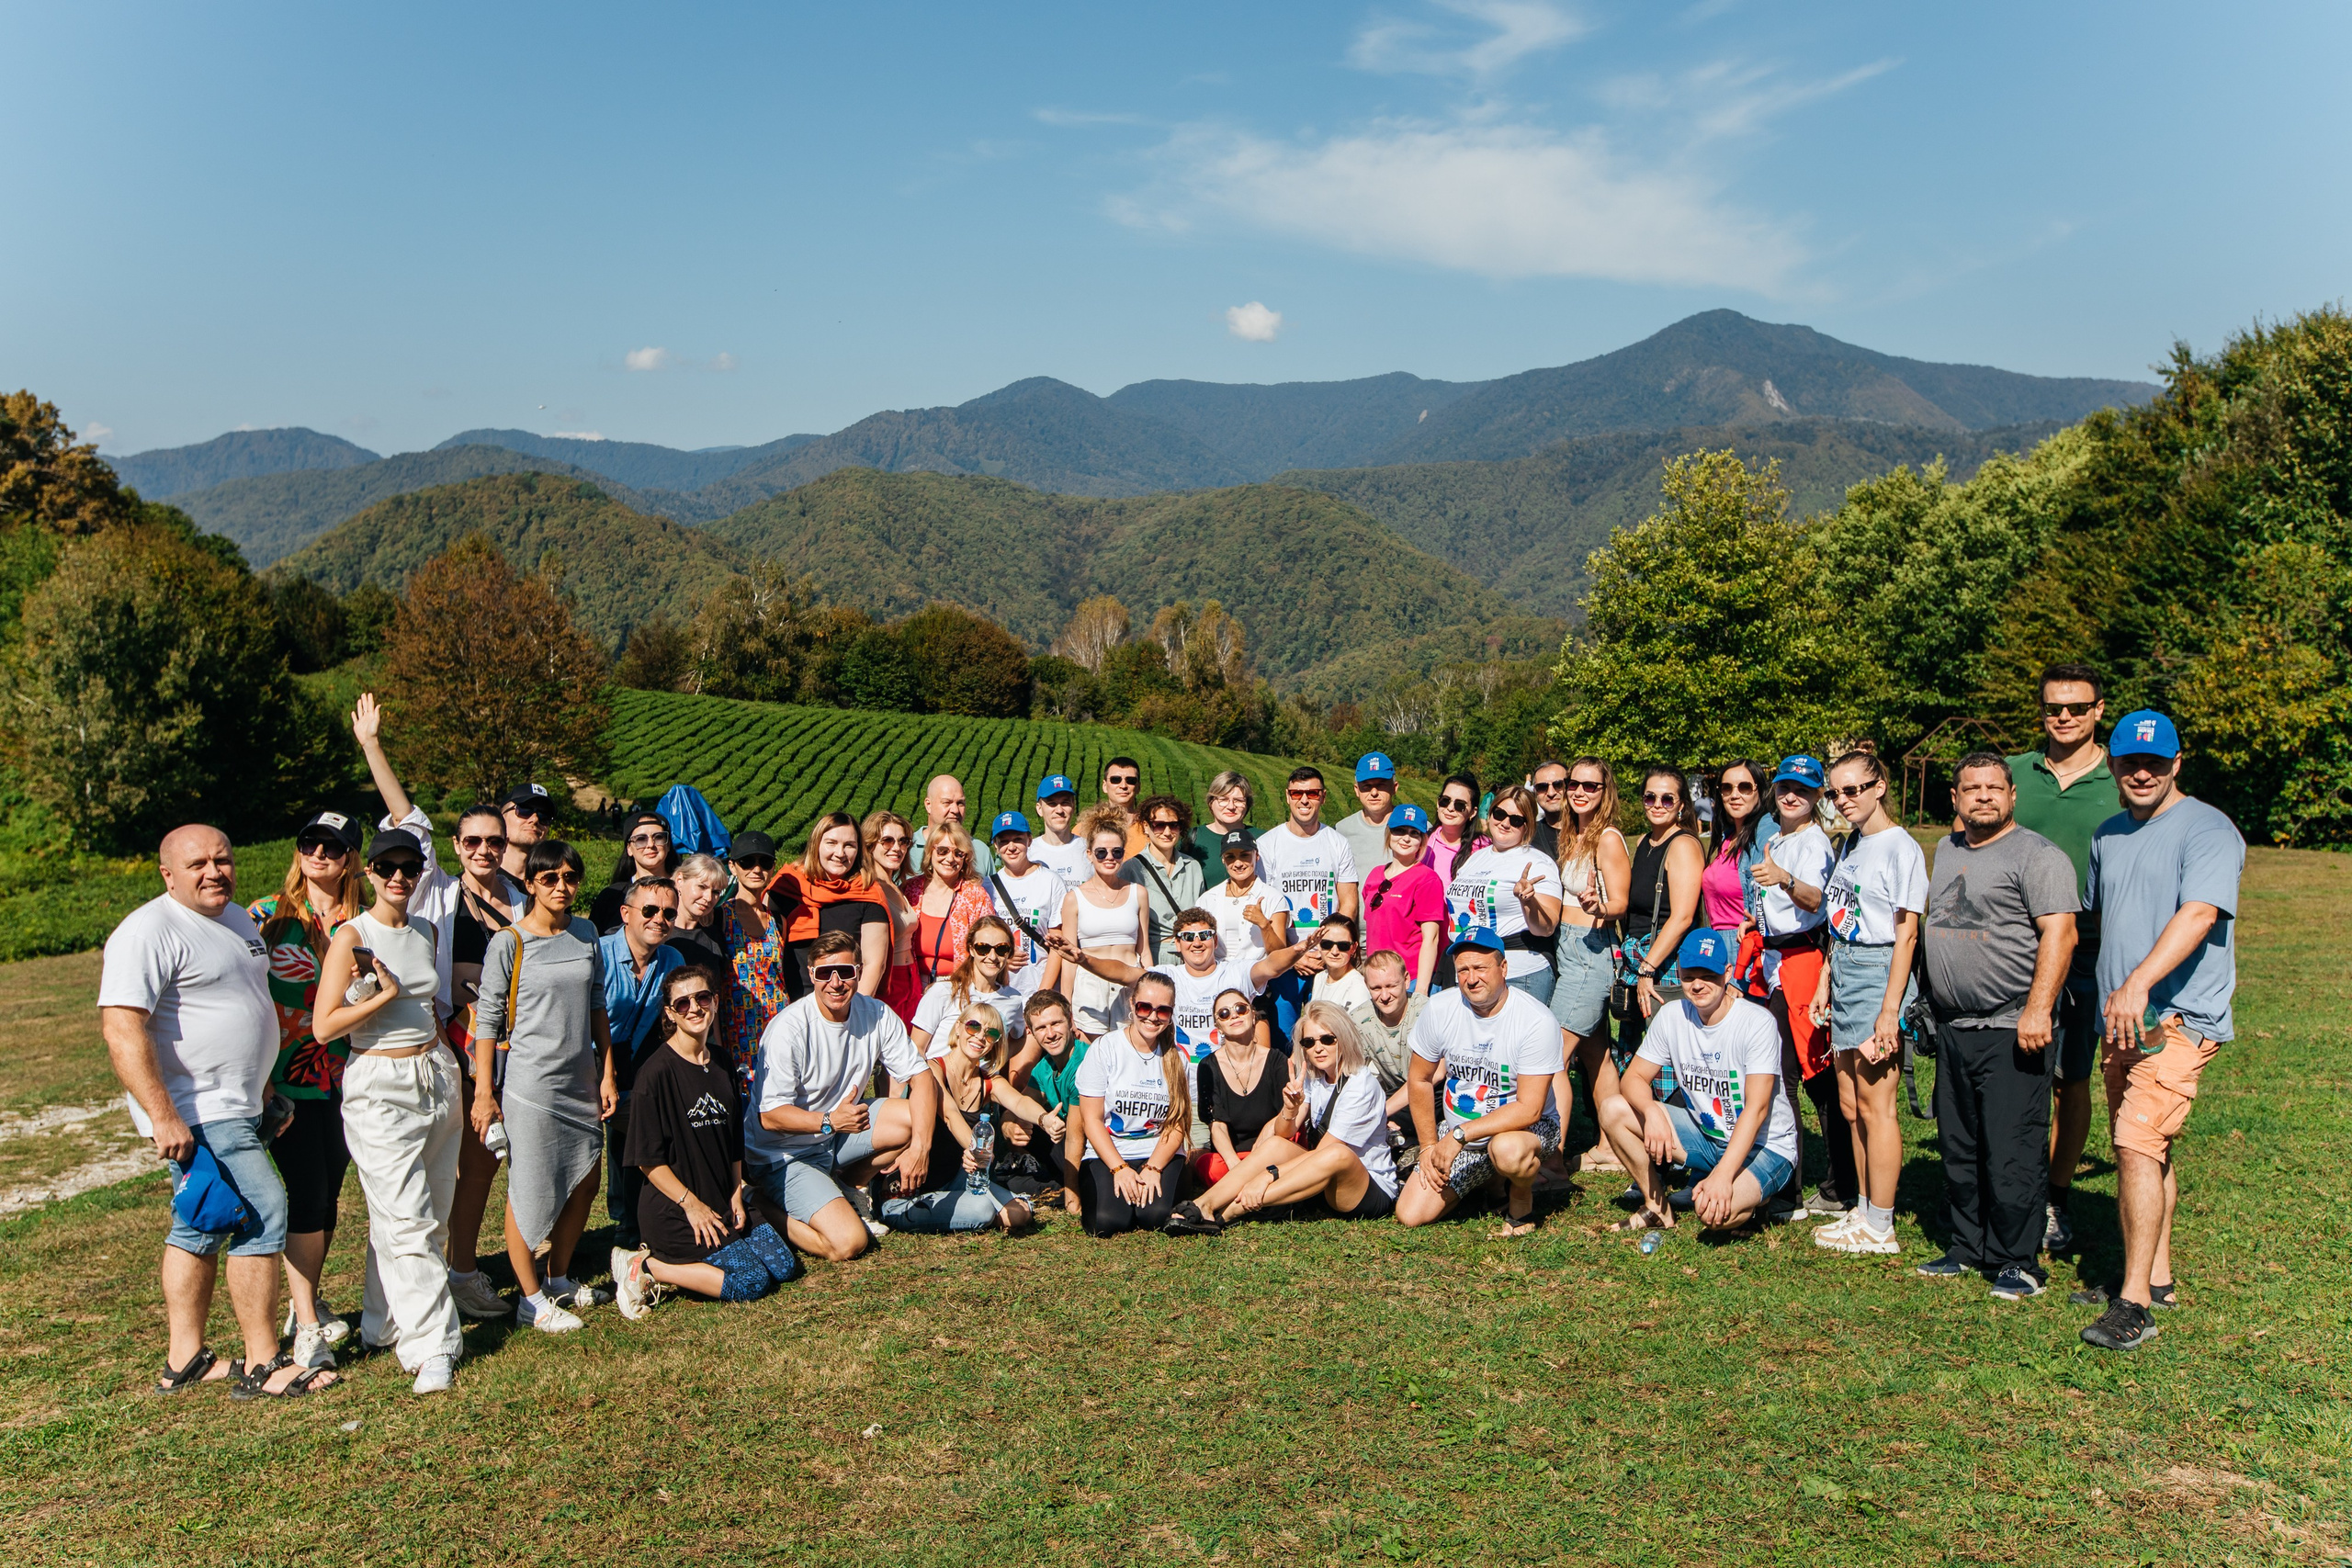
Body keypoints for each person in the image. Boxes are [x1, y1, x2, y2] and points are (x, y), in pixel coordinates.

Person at [102, 824, 338, 1398]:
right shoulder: (148, 931)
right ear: (167, 875)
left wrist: (263, 1094)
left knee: (199, 1223)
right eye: (197, 864)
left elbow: (244, 1007)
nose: (214, 872)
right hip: (197, 1108)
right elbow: (121, 1026)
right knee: (262, 1211)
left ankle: (183, 1359)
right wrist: (162, 1115)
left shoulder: (235, 919)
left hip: (242, 1102)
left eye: (222, 859)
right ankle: (263, 1362)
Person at [2077, 711, 2242, 1352]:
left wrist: (2141, 982)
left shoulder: (2208, 829)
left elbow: (2200, 911)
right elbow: (2101, 918)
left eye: (2154, 761)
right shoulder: (2109, 833)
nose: (2141, 771)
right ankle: (2159, 1277)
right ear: (2112, 765)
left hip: (2177, 1019)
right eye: (2127, 761)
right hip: (2120, 1021)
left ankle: (2134, 1303)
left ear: (2178, 762)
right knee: (2145, 1147)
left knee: (2136, 1142)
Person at [1916, 754, 2080, 1301]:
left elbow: (2061, 935)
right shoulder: (1946, 849)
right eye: (1971, 789)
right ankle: (1968, 1245)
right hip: (1955, 1027)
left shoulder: (2037, 856)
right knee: (1959, 1145)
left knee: (2012, 1147)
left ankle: (2018, 1261)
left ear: (2012, 795)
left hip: (2013, 1026)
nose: (1982, 796)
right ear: (1956, 798)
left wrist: (2038, 1008)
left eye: (1993, 788)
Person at [311, 830, 464, 1394]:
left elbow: (431, 1002)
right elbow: (324, 1026)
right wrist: (379, 994)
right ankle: (433, 1347)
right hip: (379, 1080)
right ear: (368, 872)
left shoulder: (426, 929)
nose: (400, 877)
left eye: (410, 866)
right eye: (388, 867)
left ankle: (382, 1322)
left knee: (428, 1211)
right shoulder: (352, 935)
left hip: (436, 1074)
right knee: (407, 1218)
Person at [471, 840, 616, 1332]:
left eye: (570, 877)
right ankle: (529, 1299)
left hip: (581, 1080)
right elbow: (487, 1023)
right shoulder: (508, 942)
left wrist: (607, 1072)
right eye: (549, 878)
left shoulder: (586, 933)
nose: (561, 886)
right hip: (531, 1085)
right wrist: (484, 1092)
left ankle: (557, 1277)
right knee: (529, 1188)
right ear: (530, 884)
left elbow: (598, 1003)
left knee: (585, 1181)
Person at [246, 807, 364, 1371]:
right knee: (308, 1191)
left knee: (328, 1194)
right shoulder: (265, 916)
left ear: (349, 860)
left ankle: (305, 1299)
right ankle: (308, 1321)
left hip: (351, 1075)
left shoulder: (364, 918)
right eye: (310, 844)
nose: (319, 854)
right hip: (284, 1077)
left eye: (333, 847)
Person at [612, 965, 799, 1319]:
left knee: (784, 1267)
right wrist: (691, 1205)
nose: (694, 1008)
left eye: (702, 998)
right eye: (682, 1003)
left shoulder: (724, 1062)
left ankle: (708, 1248)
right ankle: (648, 1265)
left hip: (721, 1198)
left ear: (715, 1001)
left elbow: (731, 1142)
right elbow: (647, 1161)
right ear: (669, 1013)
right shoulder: (654, 1074)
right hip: (677, 1209)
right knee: (751, 1281)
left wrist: (735, 1192)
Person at [2007, 663, 2117, 1254]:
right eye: (2054, 707)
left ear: (2099, 710)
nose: (2065, 717)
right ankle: (2004, 1187)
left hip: (2090, 947)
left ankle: (2056, 1196)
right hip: (2011, 945)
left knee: (2070, 1077)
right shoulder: (2015, 772)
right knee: (2008, 1071)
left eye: (2076, 707)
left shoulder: (2122, 777)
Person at [741, 931, 938, 1262]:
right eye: (824, 974)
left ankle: (846, 1187)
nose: (835, 983)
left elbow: (921, 1077)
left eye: (845, 972)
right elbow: (770, 1116)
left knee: (912, 1120)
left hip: (834, 1136)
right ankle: (757, 1202)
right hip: (783, 1153)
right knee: (848, 1243)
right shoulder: (789, 1028)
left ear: (859, 971)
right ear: (811, 974)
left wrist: (922, 1146)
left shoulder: (875, 1013)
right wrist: (830, 1121)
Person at [1599, 929, 1799, 1234]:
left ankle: (1755, 1200)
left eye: (1709, 975)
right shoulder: (1672, 1016)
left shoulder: (1757, 1023)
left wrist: (1723, 1174)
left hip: (1765, 1145)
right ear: (1678, 972)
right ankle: (1657, 1207)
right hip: (1708, 1137)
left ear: (1727, 973)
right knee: (1613, 1109)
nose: (1698, 984)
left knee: (1712, 1214)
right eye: (1690, 975)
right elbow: (1634, 1078)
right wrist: (1651, 1112)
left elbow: (1756, 1109)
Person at [1810, 750, 1928, 1258]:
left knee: (1878, 1106)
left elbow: (1906, 937)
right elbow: (1843, 917)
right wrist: (1825, 977)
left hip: (1882, 972)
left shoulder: (1902, 848)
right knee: (1850, 1103)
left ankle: (1882, 1225)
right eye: (1836, 793)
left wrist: (1890, 1010)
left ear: (1879, 787)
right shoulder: (1852, 843)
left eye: (1853, 789)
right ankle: (1863, 1208)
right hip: (1847, 970)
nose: (1843, 801)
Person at [1168, 1001, 1399, 1231]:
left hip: (1366, 1188)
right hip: (1324, 1178)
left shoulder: (1360, 1085)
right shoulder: (1314, 1077)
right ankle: (1203, 1205)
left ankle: (1231, 1211)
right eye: (1309, 1042)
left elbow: (1325, 1154)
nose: (1318, 1048)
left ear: (1344, 1038)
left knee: (1338, 1154)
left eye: (1328, 1039)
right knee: (1276, 1144)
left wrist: (1269, 1175)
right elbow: (1284, 1133)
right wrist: (1289, 1109)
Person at [1395, 929, 1567, 1237]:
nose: (1471, 978)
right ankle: (1488, 1181)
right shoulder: (1440, 1008)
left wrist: (1458, 1136)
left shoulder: (1535, 1021)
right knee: (1410, 1214)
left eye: (1480, 968)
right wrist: (1427, 1147)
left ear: (1503, 969)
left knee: (1508, 1150)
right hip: (1460, 1128)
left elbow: (1529, 1109)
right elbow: (1419, 1079)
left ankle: (1520, 1202)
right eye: (1463, 970)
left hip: (1526, 1128)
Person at [430, 798, 530, 1321]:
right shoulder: (441, 894)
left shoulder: (519, 898)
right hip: (459, 1041)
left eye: (495, 841)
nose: (484, 850)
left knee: (508, 1160)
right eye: (473, 841)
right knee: (475, 1162)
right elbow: (409, 823)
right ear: (456, 846)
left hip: (517, 1043)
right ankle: (461, 1271)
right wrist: (373, 749)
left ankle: (507, 1265)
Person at [1747, 756, 1849, 1218]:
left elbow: (1817, 900)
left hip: (1801, 961)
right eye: (1786, 787)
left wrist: (1784, 880)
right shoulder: (1777, 837)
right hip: (1771, 961)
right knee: (1784, 1072)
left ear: (1817, 798)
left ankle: (1823, 1186)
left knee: (1807, 1074)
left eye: (1803, 790)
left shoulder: (1813, 843)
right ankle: (1812, 1180)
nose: (1792, 796)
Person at [885, 1002, 1043, 1234]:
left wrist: (1044, 1118)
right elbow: (949, 1114)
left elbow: (1018, 1102)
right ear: (958, 1028)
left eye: (991, 1033)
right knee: (982, 1210)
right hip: (911, 1188)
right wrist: (976, 1151)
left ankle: (958, 1205)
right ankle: (933, 1210)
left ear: (996, 1043)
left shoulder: (989, 1082)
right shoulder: (931, 1069)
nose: (980, 1036)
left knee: (1020, 1213)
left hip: (957, 1180)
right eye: (973, 1026)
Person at [597, 875, 684, 1251]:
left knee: (633, 1139)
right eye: (649, 910)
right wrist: (604, 1074)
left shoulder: (671, 959)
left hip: (635, 1061)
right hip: (590, 1058)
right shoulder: (597, 953)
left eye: (668, 912)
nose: (659, 919)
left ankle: (629, 1223)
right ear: (626, 913)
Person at [1551, 757, 1632, 1149]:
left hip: (1590, 953)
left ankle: (1552, 1153)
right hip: (1569, 948)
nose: (1580, 792)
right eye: (1573, 784)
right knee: (1597, 1056)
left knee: (1552, 1057)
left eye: (1590, 786)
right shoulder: (1575, 834)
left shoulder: (1608, 838)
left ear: (1605, 792)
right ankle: (1611, 1145)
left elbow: (1620, 902)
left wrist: (1600, 906)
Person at [1073, 971, 1191, 1236]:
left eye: (1163, 1011)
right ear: (1132, 1004)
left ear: (1171, 1014)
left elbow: (1177, 1123)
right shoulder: (1105, 1048)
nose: (1152, 1017)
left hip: (1157, 1150)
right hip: (1110, 1150)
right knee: (1107, 1222)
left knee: (1156, 1216)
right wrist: (1120, 1168)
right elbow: (1091, 1120)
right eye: (1145, 1007)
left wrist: (1153, 1168)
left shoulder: (1178, 1057)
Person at [1613, 767, 1705, 1065]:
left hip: (1663, 964)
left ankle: (1670, 1112)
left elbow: (1682, 917)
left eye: (1667, 799)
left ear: (1681, 806)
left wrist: (1647, 968)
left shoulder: (1683, 846)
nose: (1657, 804)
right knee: (1634, 1056)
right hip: (1638, 959)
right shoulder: (1643, 842)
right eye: (1650, 797)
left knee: (1665, 1056)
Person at [1442, 783, 1563, 1004]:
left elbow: (1546, 928)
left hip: (1517, 974)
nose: (1505, 823)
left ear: (1528, 826)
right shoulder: (1476, 858)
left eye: (1516, 820)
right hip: (1469, 969)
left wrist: (1528, 901)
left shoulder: (1538, 863)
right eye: (1499, 814)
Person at [1057, 806, 1148, 1040]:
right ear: (1089, 854)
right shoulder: (1073, 898)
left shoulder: (1138, 893)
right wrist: (1066, 1005)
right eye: (1101, 852)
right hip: (1089, 990)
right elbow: (1069, 958)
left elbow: (1144, 949)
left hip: (1129, 988)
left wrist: (1151, 991)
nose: (1109, 858)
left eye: (1116, 852)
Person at [781, 812, 894, 998]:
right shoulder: (789, 886)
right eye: (831, 843)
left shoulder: (867, 893)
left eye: (849, 845)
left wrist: (855, 1011)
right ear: (816, 844)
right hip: (792, 1008)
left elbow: (874, 963)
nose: (840, 853)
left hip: (845, 1007)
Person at [1185, 987, 1290, 1185]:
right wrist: (1237, 1168)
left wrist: (1258, 1157)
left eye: (1241, 1009)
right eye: (1224, 1014)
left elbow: (1282, 1116)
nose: (1234, 1016)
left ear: (1252, 1014)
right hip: (1231, 1157)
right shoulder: (1208, 1066)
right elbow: (1216, 1125)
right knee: (1209, 1166)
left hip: (1270, 1151)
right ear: (1217, 1026)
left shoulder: (1276, 1060)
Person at [719, 831, 793, 1098]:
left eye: (764, 862)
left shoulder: (777, 920)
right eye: (747, 862)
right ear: (732, 866)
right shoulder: (720, 916)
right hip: (736, 1026)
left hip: (777, 1023)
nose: (756, 869)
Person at [1258, 766, 1360, 935]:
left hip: (1329, 950)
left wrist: (1330, 945)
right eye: (1296, 793)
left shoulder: (1338, 843)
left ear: (1323, 797)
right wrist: (1290, 951)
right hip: (1283, 951)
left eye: (1312, 793)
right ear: (1287, 797)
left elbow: (1348, 903)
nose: (1304, 800)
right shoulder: (1267, 844)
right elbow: (1262, 904)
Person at [910, 915, 1029, 1058]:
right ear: (971, 949)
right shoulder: (943, 992)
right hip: (939, 1077)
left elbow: (1019, 1037)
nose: (992, 957)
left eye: (1001, 949)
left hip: (979, 1080)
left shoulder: (1013, 999)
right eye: (983, 948)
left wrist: (995, 1061)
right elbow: (916, 1049)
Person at [1011, 990, 1086, 1214]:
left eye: (1056, 1023)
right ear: (1031, 1032)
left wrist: (1073, 1200)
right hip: (1062, 1144)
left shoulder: (1085, 1062)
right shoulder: (1044, 1067)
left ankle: (1070, 1190)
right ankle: (1057, 1188)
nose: (1050, 1034)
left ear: (1071, 1021)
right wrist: (1009, 1126)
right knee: (1010, 1180)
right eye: (1041, 1028)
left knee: (1015, 1183)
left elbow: (1076, 1136)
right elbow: (1018, 1104)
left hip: (1090, 1147)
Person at [1362, 805, 1444, 998]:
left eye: (1414, 833)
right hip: (1378, 979)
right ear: (1389, 834)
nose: (1406, 838)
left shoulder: (1427, 879)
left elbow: (1431, 939)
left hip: (1409, 980)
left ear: (1422, 840)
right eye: (1399, 831)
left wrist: (1421, 991)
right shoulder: (1375, 875)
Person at [900, 819, 994, 990]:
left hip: (958, 987)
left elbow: (990, 945)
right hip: (912, 986)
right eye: (943, 851)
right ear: (930, 851)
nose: (950, 859)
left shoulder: (975, 897)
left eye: (958, 853)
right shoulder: (910, 890)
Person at [981, 811, 1067, 998]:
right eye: (1003, 841)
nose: (1011, 847)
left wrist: (1042, 994)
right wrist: (1002, 956)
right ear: (995, 846)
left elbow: (1057, 945)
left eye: (1018, 839)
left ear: (1029, 840)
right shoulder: (987, 887)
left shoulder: (1051, 881)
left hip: (1039, 986)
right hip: (997, 992)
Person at [1119, 795, 1204, 963]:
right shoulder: (1131, 868)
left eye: (1174, 825)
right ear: (1145, 827)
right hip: (1153, 954)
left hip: (1191, 955)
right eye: (1159, 825)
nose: (1167, 832)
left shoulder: (1193, 866)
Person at [860, 811, 925, 1022]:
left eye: (903, 841)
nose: (897, 848)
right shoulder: (866, 889)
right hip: (887, 983)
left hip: (911, 979)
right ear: (870, 844)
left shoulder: (898, 887)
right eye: (887, 840)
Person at [1197, 828, 1291, 967]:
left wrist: (1264, 925)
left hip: (1255, 979)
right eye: (1230, 857)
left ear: (1256, 856)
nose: (1238, 863)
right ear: (1223, 860)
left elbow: (1279, 954)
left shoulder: (1273, 898)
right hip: (1215, 976)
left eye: (1244, 855)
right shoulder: (1207, 899)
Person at [590, 811, 676, 933]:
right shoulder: (611, 897)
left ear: (668, 845)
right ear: (629, 849)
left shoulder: (685, 893)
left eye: (658, 837)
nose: (651, 845)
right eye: (641, 839)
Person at [910, 773, 999, 880]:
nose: (955, 810)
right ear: (928, 805)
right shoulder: (907, 848)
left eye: (960, 803)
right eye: (947, 803)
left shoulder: (980, 850)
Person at [1332, 752, 1399, 884]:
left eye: (1381, 785)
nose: (1374, 793)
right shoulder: (1341, 831)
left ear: (1394, 788)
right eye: (1367, 786)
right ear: (1357, 790)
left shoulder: (1416, 828)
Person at [664, 852, 731, 972]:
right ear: (680, 880)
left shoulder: (714, 937)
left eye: (716, 892)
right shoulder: (659, 930)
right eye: (702, 887)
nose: (709, 898)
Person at [1423, 773, 1487, 886]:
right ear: (1438, 803)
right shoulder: (1422, 839)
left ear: (1473, 812)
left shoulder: (1483, 849)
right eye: (1445, 800)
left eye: (1460, 805)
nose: (1450, 808)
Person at [1029, 773, 1091, 888]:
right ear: (1039, 809)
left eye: (1065, 803)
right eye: (1052, 804)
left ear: (1073, 806)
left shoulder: (1089, 849)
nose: (1059, 810)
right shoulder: (1029, 853)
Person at [1193, 771, 1259, 873]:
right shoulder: (1193, 839)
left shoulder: (1262, 838)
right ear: (1211, 802)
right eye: (1223, 799)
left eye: (1238, 800)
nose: (1231, 806)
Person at [498, 783, 557, 884]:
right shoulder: (477, 884)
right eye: (524, 810)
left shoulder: (551, 887)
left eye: (544, 815)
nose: (535, 819)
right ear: (501, 818)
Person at [1099, 756, 1148, 855]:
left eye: (1131, 780)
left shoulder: (1151, 828)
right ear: (1104, 786)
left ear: (1138, 787)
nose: (1123, 785)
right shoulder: (1085, 829)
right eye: (1116, 780)